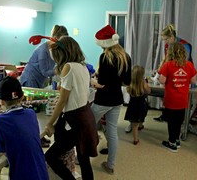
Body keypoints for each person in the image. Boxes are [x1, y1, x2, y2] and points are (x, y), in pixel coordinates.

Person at [44, 36, 99, 180]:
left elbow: (62, 100)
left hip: (75, 121)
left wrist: (50, 123)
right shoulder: (83, 66)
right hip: (86, 117)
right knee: (84, 159)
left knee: (50, 156)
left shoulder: (68, 67)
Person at [90, 24, 131, 175]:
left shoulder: (105, 57)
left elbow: (101, 83)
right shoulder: (125, 57)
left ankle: (79, 158)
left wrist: (93, 82)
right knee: (112, 131)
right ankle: (110, 164)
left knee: (88, 126)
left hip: (103, 99)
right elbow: (127, 81)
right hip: (117, 99)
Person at [20, 24, 68, 147]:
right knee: (33, 112)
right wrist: (61, 69)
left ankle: (39, 136)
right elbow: (45, 71)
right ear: (55, 38)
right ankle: (34, 138)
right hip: (31, 80)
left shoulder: (53, 49)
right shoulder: (43, 50)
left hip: (39, 81)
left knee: (39, 110)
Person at [0, 76, 49, 180]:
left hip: (22, 174)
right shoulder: (31, 113)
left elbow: (0, 148)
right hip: (41, 171)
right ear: (22, 96)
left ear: (1, 101)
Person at [158, 42, 196, 152]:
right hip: (182, 99)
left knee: (171, 122)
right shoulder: (189, 65)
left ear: (171, 52)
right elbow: (193, 80)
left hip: (171, 99)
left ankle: (172, 143)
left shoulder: (168, 65)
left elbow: (162, 81)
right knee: (179, 121)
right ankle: (177, 140)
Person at [153, 24, 193, 122]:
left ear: (172, 36)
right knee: (166, 94)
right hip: (172, 74)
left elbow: (183, 63)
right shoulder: (168, 45)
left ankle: (179, 120)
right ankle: (167, 114)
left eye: (166, 39)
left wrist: (166, 71)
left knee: (178, 98)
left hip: (182, 74)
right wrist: (159, 70)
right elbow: (165, 59)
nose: (165, 42)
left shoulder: (184, 45)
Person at [124, 65, 151, 145]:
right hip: (141, 105)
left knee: (134, 124)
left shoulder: (130, 84)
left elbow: (128, 91)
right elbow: (148, 91)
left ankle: (135, 139)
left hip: (132, 105)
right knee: (141, 116)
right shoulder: (143, 83)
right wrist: (145, 82)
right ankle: (141, 125)